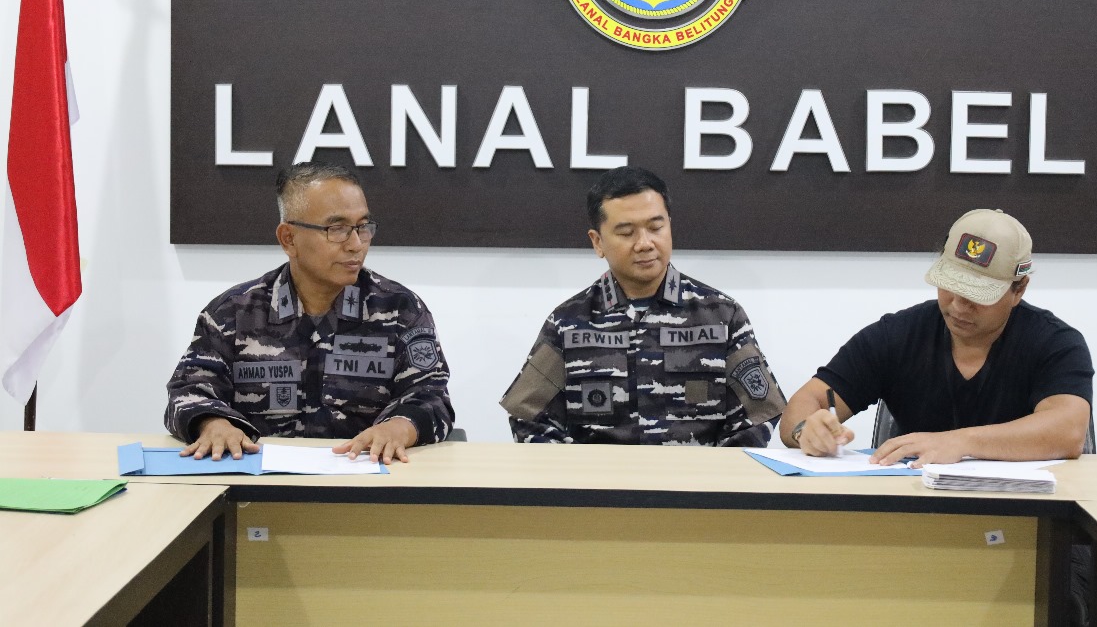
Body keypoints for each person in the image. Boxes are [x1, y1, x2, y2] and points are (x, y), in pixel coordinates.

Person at [164, 162, 454, 464]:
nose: (356, 245)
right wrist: (213, 424)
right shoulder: (233, 314)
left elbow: (432, 396)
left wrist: (399, 428)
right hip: (261, 483)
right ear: (288, 239)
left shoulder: (400, 309)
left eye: (363, 227)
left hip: (366, 478)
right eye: (337, 229)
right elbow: (188, 391)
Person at [500, 166, 786, 446]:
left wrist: (712, 474)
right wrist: (579, 472)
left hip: (695, 477)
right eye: (626, 233)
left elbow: (757, 415)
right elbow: (529, 417)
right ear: (598, 242)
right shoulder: (568, 322)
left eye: (656, 227)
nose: (645, 243)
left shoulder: (721, 316)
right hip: (598, 477)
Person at [781, 208, 1093, 465]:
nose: (958, 305)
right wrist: (806, 430)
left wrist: (961, 442)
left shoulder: (1055, 343)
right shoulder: (897, 335)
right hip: (915, 505)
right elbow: (807, 401)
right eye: (950, 285)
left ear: (1019, 289)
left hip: (1024, 510)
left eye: (977, 295)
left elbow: (1068, 431)